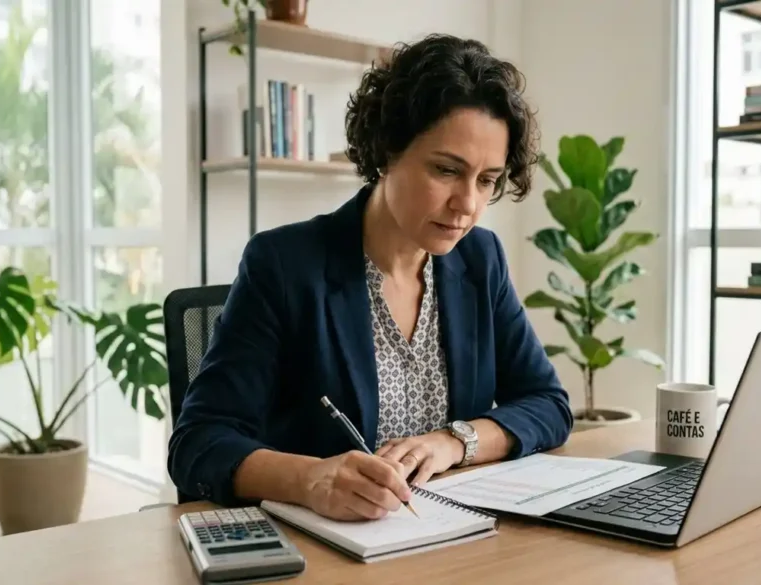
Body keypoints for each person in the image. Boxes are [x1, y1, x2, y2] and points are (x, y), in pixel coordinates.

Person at [167, 33, 573, 522]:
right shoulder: (284, 264)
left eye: (486, 180)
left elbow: (547, 403)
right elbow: (198, 443)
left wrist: (454, 442)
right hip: (327, 553)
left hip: (451, 541)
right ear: (387, 150)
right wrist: (310, 479)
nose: (468, 204)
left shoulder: (480, 260)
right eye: (447, 170)